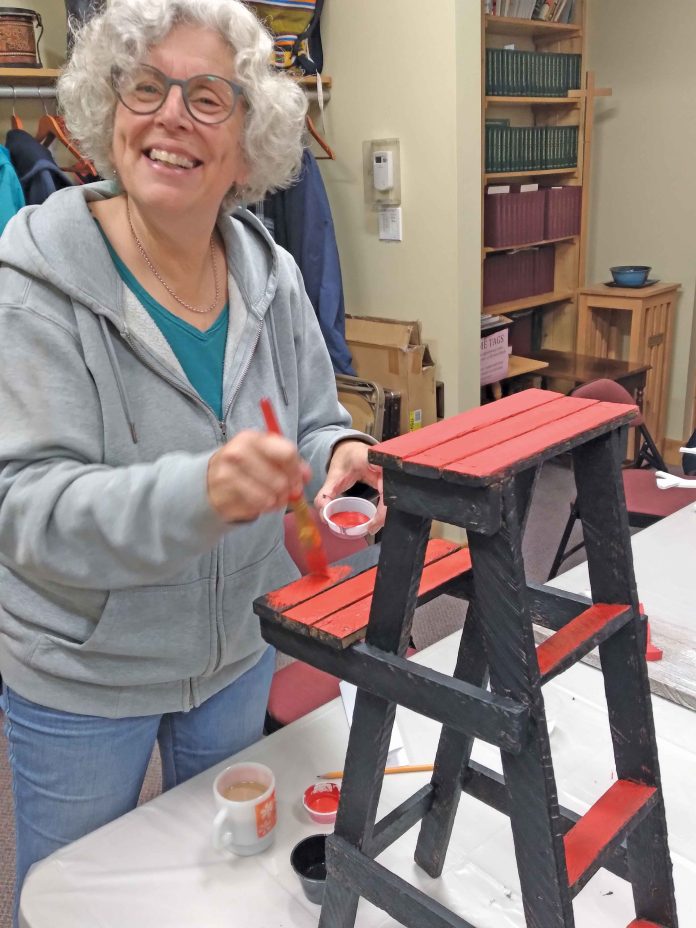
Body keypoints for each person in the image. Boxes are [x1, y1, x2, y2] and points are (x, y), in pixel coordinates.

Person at [0, 0, 384, 920]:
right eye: (147, 87)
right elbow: (27, 509)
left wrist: (341, 451)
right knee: (72, 901)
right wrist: (201, 491)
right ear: (110, 116)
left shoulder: (271, 274)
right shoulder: (34, 284)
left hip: (238, 649)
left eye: (208, 97)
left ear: (248, 145)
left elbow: (310, 419)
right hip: (85, 671)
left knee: (229, 882)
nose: (171, 115)